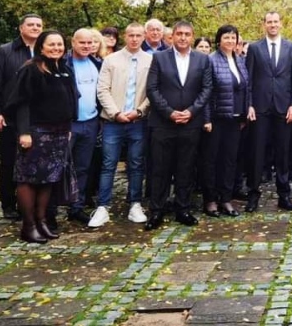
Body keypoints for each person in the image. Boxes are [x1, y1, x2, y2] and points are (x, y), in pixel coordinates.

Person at [6, 30, 78, 243]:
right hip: (36, 133)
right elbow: (22, 103)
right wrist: (24, 132)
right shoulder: (31, 69)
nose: (56, 48)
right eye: (51, 45)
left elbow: (69, 100)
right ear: (41, 47)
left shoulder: (62, 68)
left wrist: (68, 125)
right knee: (28, 179)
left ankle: (41, 221)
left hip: (58, 133)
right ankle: (28, 226)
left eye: (59, 44)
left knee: (48, 179)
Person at [144, 20, 213, 230]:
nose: (183, 37)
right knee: (160, 169)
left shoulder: (202, 60)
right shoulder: (159, 58)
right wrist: (170, 113)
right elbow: (152, 89)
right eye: (179, 34)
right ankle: (156, 210)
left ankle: (183, 208)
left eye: (187, 34)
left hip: (191, 123)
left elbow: (207, 89)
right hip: (163, 123)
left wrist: (191, 111)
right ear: (172, 36)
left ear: (192, 37)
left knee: (186, 167)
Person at [90, 23, 151, 228]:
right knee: (109, 164)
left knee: (136, 163)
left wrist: (140, 111)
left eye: (138, 35)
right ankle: (103, 207)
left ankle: (135, 204)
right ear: (125, 36)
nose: (134, 39)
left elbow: (153, 91)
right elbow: (102, 90)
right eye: (131, 35)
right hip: (113, 121)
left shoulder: (151, 60)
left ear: (144, 37)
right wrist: (115, 113)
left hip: (138, 121)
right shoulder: (111, 60)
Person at [244, 12, 292, 213]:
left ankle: (284, 195)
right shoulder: (254, 48)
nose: (273, 25)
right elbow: (248, 79)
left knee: (283, 153)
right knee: (257, 153)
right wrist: (249, 104)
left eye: (276, 22)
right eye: (269, 22)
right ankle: (253, 194)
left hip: (284, 109)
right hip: (259, 108)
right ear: (264, 24)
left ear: (281, 24)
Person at [0, 13, 43, 220]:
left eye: (38, 25)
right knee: (9, 161)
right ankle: (8, 203)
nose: (35, 28)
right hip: (10, 114)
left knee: (33, 160)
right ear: (20, 28)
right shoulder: (6, 51)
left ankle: (30, 203)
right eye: (31, 24)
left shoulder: (45, 50)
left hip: (38, 116)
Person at [200, 24, 250, 218]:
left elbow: (247, 88)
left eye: (233, 37)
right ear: (218, 39)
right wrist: (206, 119)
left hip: (235, 120)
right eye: (226, 37)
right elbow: (206, 92)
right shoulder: (210, 60)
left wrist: (246, 112)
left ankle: (226, 199)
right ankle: (210, 200)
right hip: (215, 119)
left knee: (230, 161)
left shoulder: (240, 60)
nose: (230, 41)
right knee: (211, 160)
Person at [64, 29, 102, 225]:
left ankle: (76, 207)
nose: (86, 46)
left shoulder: (97, 63)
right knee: (60, 167)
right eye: (82, 43)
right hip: (69, 124)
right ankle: (50, 209)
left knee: (83, 167)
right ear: (73, 42)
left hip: (91, 122)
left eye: (90, 43)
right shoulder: (63, 63)